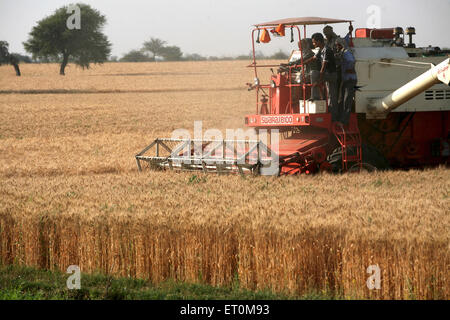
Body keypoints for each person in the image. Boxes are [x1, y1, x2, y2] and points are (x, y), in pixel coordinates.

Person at [303, 33, 339, 121]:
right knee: (331, 96)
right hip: (327, 75)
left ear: (319, 41)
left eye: (314, 42)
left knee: (314, 73)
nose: (313, 44)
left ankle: (315, 97)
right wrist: (304, 62)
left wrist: (319, 80)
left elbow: (323, 66)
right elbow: (314, 58)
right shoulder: (321, 50)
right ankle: (332, 116)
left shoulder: (327, 50)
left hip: (331, 75)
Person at [335, 37, 357, 125]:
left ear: (340, 45)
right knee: (341, 99)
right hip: (346, 79)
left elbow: (352, 61)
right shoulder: (343, 52)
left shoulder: (346, 53)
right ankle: (341, 119)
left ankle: (344, 121)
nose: (336, 47)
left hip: (350, 79)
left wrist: (348, 69)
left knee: (347, 100)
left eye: (337, 45)